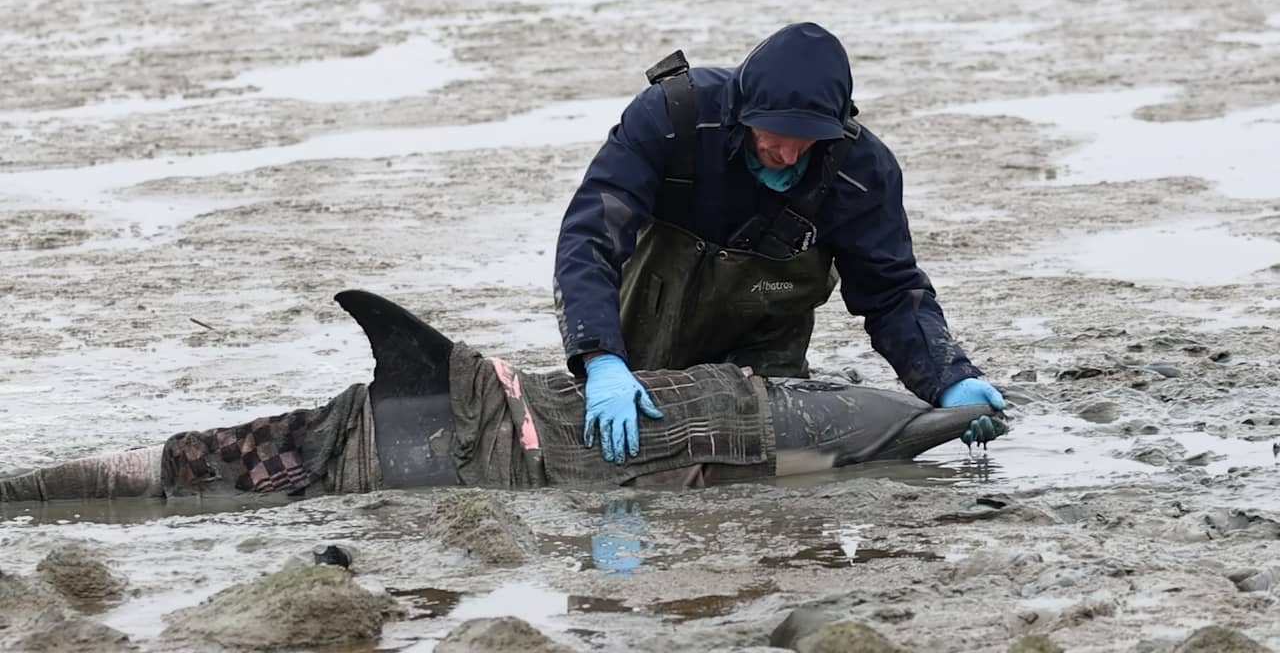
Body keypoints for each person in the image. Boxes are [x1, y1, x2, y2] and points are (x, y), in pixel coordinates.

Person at [0, 291, 1006, 503]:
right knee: (139, 485)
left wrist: (944, 385)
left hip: (392, 431)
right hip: (335, 454)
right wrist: (602, 358)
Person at [554, 21, 1004, 464]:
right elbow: (591, 236)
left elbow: (890, 293)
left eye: (806, 141)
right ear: (742, 108)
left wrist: (949, 379)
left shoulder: (863, 172)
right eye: (776, 137)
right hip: (646, 347)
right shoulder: (671, 118)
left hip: (765, 365)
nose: (789, 156)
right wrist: (600, 358)